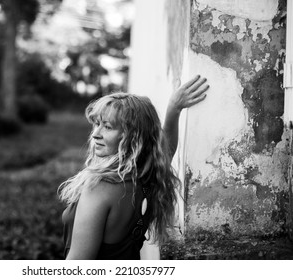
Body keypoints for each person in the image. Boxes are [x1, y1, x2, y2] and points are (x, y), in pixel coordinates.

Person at [59, 75, 209, 260]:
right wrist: (174, 109)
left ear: (133, 137)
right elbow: (165, 151)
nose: (96, 134)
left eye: (107, 127)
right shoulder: (146, 178)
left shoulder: (100, 188)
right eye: (97, 124)